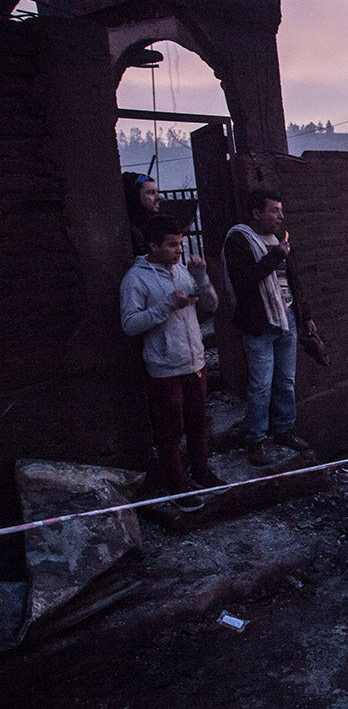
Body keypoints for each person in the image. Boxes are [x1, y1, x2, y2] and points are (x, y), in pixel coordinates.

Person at [120, 214, 222, 511]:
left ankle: (201, 473)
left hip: (195, 363)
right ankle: (177, 486)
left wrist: (201, 278)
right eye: (172, 245)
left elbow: (211, 307)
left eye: (180, 244)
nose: (179, 250)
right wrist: (167, 305)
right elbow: (129, 324)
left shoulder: (181, 271)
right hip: (164, 369)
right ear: (152, 245)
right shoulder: (136, 279)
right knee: (170, 430)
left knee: (198, 424)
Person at [224, 188, 315, 466]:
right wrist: (276, 255)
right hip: (259, 323)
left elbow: (293, 280)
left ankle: (284, 430)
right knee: (261, 385)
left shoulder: (279, 240)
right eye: (274, 210)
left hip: (286, 319)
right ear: (256, 213)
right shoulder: (239, 240)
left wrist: (305, 315)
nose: (280, 216)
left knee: (285, 381)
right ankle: (256, 439)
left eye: (280, 210)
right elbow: (244, 280)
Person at [123, 171, 164, 257]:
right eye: (151, 192)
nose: (158, 197)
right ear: (135, 196)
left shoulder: (152, 224)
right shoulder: (130, 231)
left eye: (157, 192)